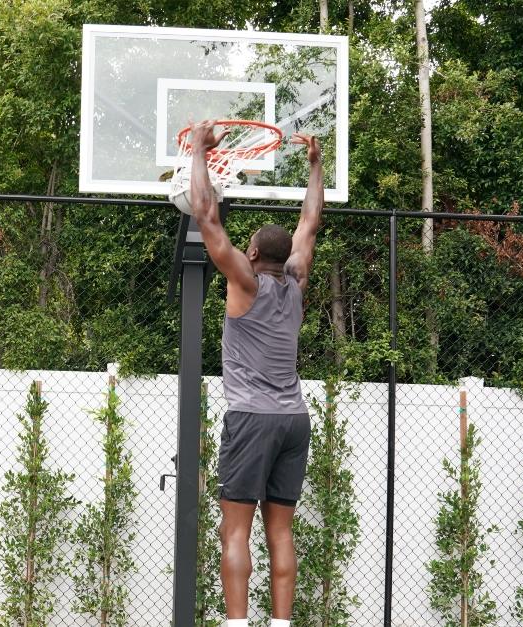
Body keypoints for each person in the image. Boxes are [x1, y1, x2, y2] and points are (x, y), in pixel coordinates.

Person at [184, 120, 323, 627]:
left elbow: (205, 215)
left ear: (255, 255)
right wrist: (315, 164)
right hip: (294, 420)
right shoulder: (296, 281)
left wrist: (199, 150)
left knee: (234, 531)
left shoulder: (245, 282)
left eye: (246, 245)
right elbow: (309, 222)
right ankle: (282, 625)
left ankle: (238, 624)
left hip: (250, 419)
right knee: (280, 532)